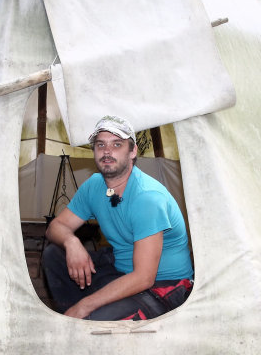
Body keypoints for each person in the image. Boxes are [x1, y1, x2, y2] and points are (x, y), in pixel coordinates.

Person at [43, 115, 194, 320]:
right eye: (100, 144)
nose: (107, 151)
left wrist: (85, 305)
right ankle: (74, 319)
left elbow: (144, 278)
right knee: (54, 254)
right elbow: (55, 227)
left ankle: (83, 314)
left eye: (116, 144)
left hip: (162, 285)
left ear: (132, 151)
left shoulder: (147, 198)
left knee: (98, 322)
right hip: (120, 270)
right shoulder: (94, 185)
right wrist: (71, 242)